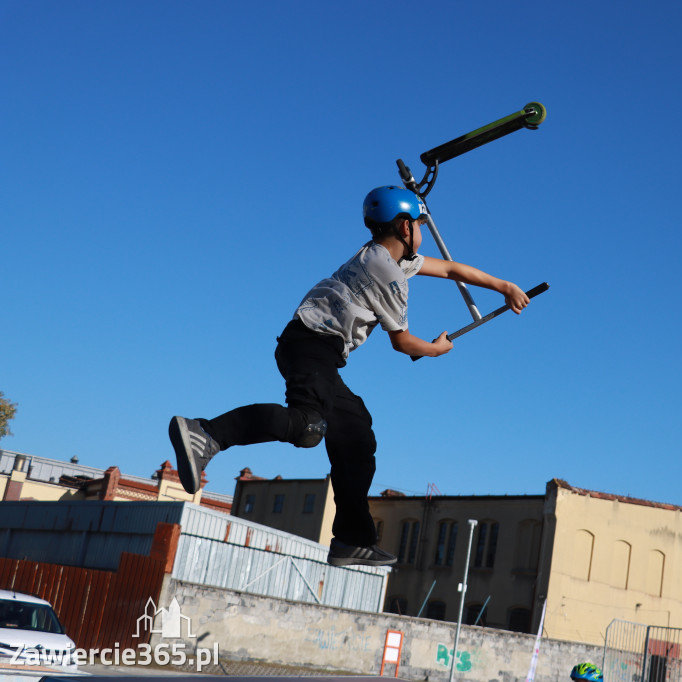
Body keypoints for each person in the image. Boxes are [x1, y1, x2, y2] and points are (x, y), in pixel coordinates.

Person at [169, 185, 530, 567]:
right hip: (311, 346)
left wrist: (504, 286)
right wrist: (436, 349)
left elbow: (452, 268)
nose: (423, 233)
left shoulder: (381, 254)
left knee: (355, 434)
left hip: (315, 349)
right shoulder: (388, 274)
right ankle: (206, 433)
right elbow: (403, 342)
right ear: (406, 227)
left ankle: (352, 540)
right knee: (308, 426)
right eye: (420, 224)